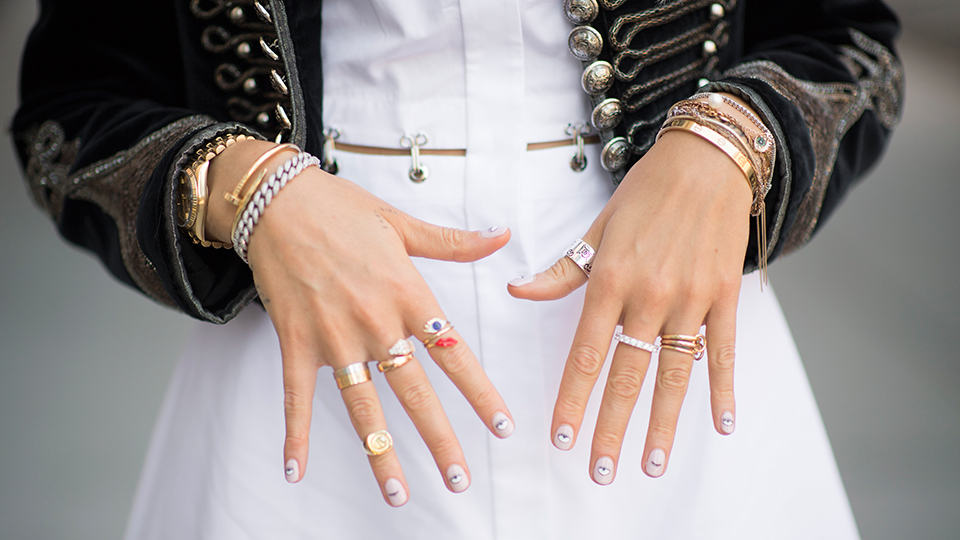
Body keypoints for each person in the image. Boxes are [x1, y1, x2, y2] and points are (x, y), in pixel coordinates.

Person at [13, 0, 902, 538]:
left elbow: (850, 39)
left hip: (668, 313)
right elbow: (68, 115)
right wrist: (250, 190)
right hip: (306, 319)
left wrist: (733, 142)